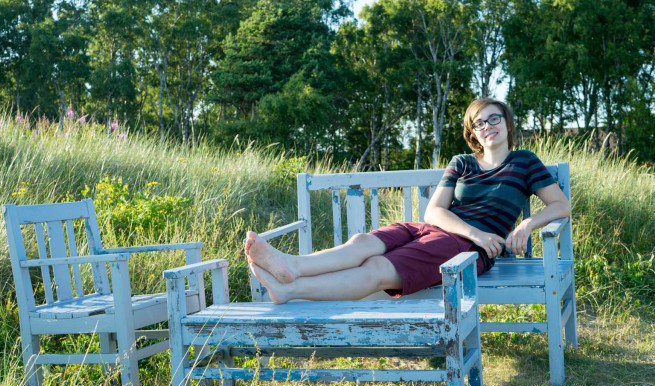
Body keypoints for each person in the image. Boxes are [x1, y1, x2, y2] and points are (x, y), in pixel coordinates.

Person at [244, 97, 571, 304]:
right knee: (363, 243)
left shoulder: (525, 162)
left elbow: (560, 205)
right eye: (479, 122)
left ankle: (289, 290)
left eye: (494, 118)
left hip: (469, 251)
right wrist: (474, 232)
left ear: (507, 122)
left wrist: (528, 223)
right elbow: (435, 210)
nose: (488, 126)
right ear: (473, 132)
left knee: (377, 270)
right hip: (436, 230)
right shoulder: (461, 162)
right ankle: (291, 266)